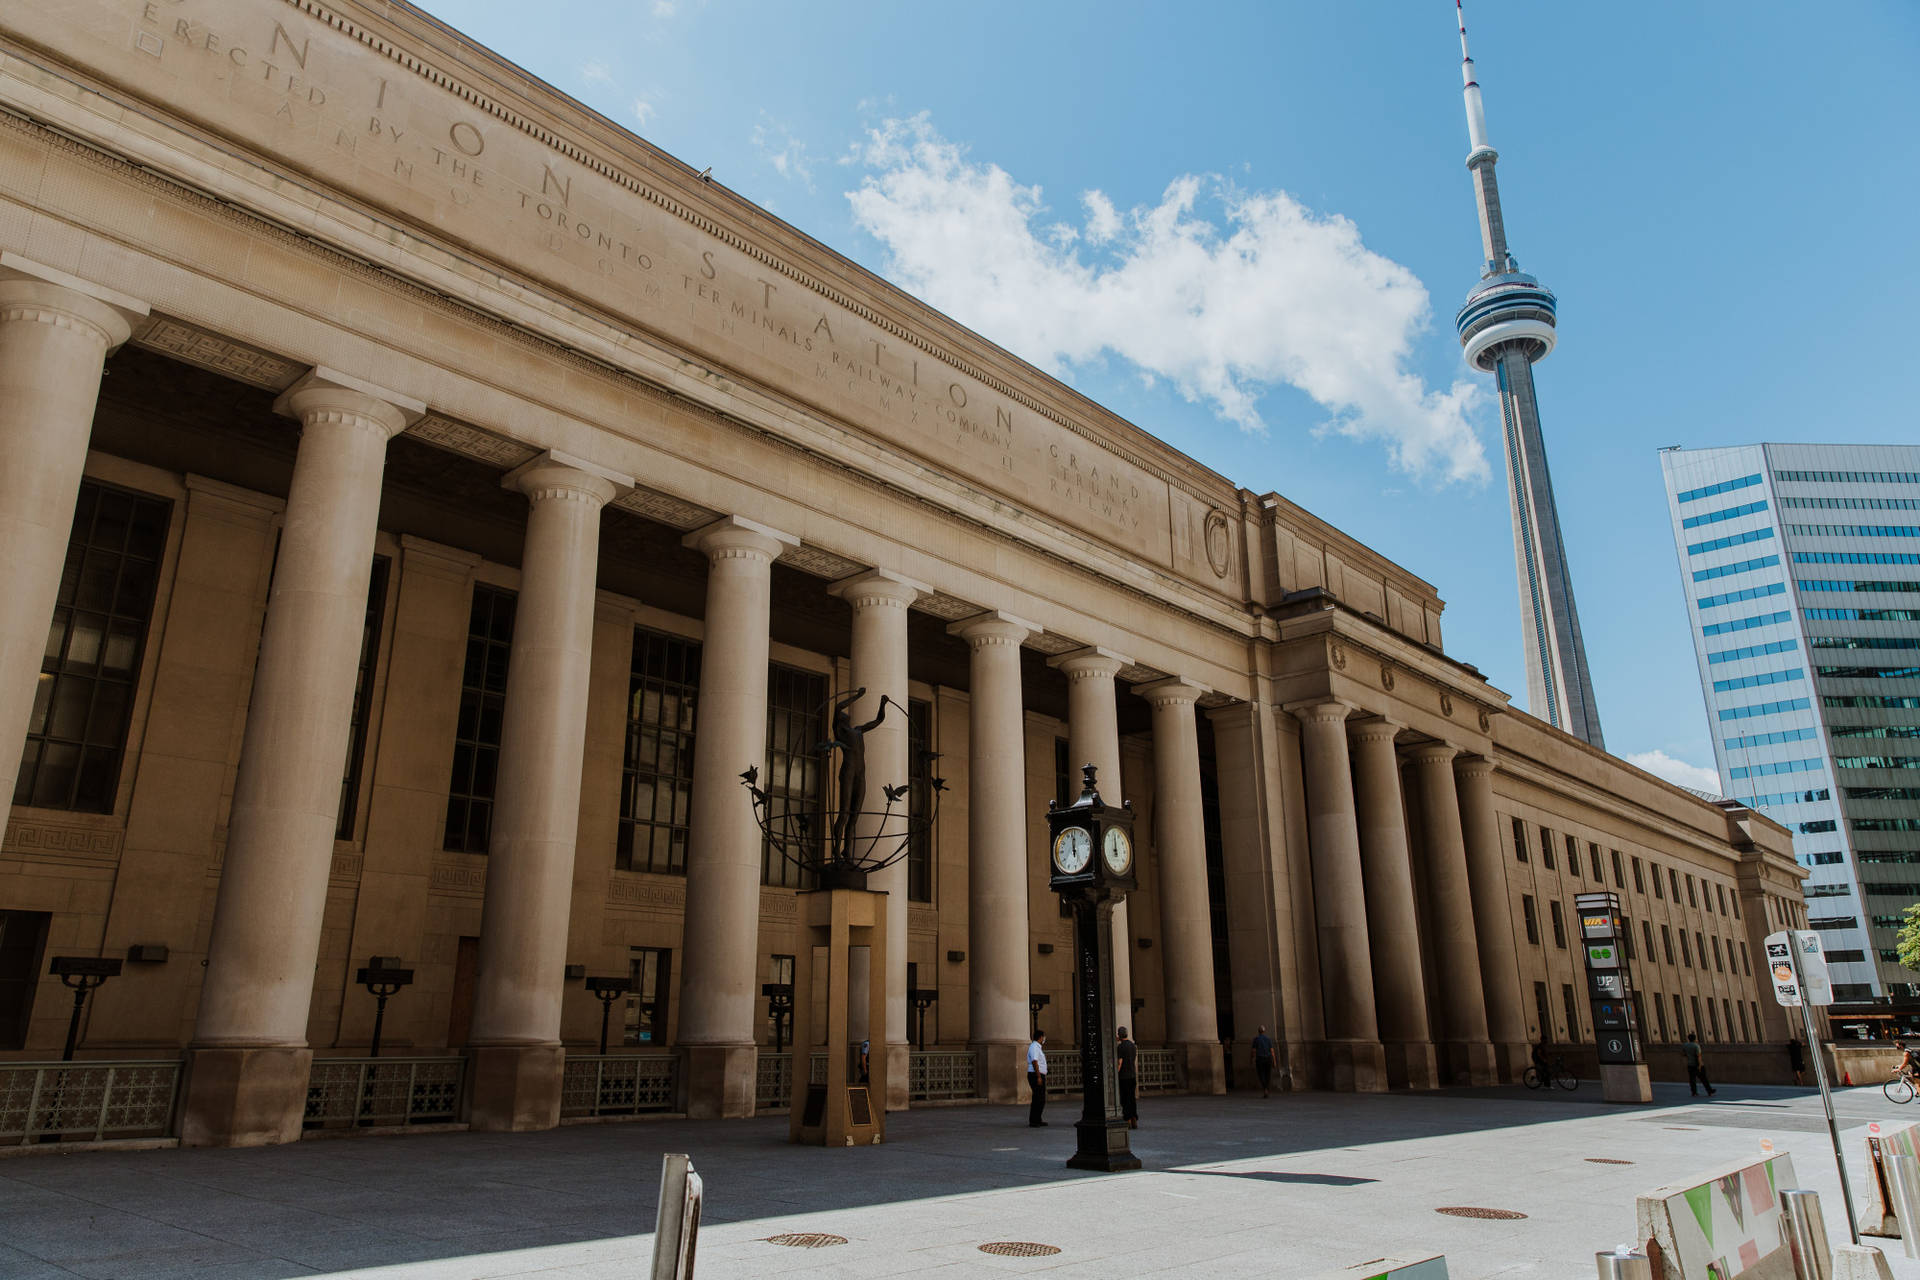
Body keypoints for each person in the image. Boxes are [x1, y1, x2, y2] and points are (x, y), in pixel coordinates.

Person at [1116, 1025, 1138, 1129]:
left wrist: (1116, 1072)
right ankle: (1134, 1120)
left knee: (1125, 1099)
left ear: (1119, 1035)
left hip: (1124, 1076)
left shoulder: (1120, 1047)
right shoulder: (1132, 1045)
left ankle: (1127, 1119)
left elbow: (1120, 1062)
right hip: (1132, 1075)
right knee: (1132, 1098)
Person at [1683, 1031, 1716, 1097]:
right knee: (1704, 1078)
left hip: (1690, 1064)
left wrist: (1689, 1056)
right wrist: (1700, 1065)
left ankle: (1694, 1092)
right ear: (1695, 1039)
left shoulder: (1685, 1045)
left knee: (1692, 1079)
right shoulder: (1696, 1046)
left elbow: (1683, 1054)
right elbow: (1698, 1056)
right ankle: (1709, 1091)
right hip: (1697, 1064)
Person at [1027, 1030, 1048, 1127]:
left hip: (1038, 1074)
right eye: (1043, 1036)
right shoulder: (1034, 1047)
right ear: (1040, 1037)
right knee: (1037, 1098)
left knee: (1040, 1098)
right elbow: (1035, 1061)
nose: (1044, 1038)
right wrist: (1039, 1076)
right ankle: (1034, 1120)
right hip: (1035, 1075)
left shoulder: (1037, 1047)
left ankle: (1038, 1119)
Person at [1250, 1025, 1276, 1098]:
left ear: (1258, 1031)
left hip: (1260, 1059)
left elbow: (1254, 1051)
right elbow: (1272, 1051)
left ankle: (1265, 1089)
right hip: (1268, 1059)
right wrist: (1274, 1061)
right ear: (1264, 1031)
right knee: (1268, 1075)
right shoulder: (1268, 1039)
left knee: (1261, 1075)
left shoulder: (1256, 1039)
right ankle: (1266, 1089)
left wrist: (1252, 1059)